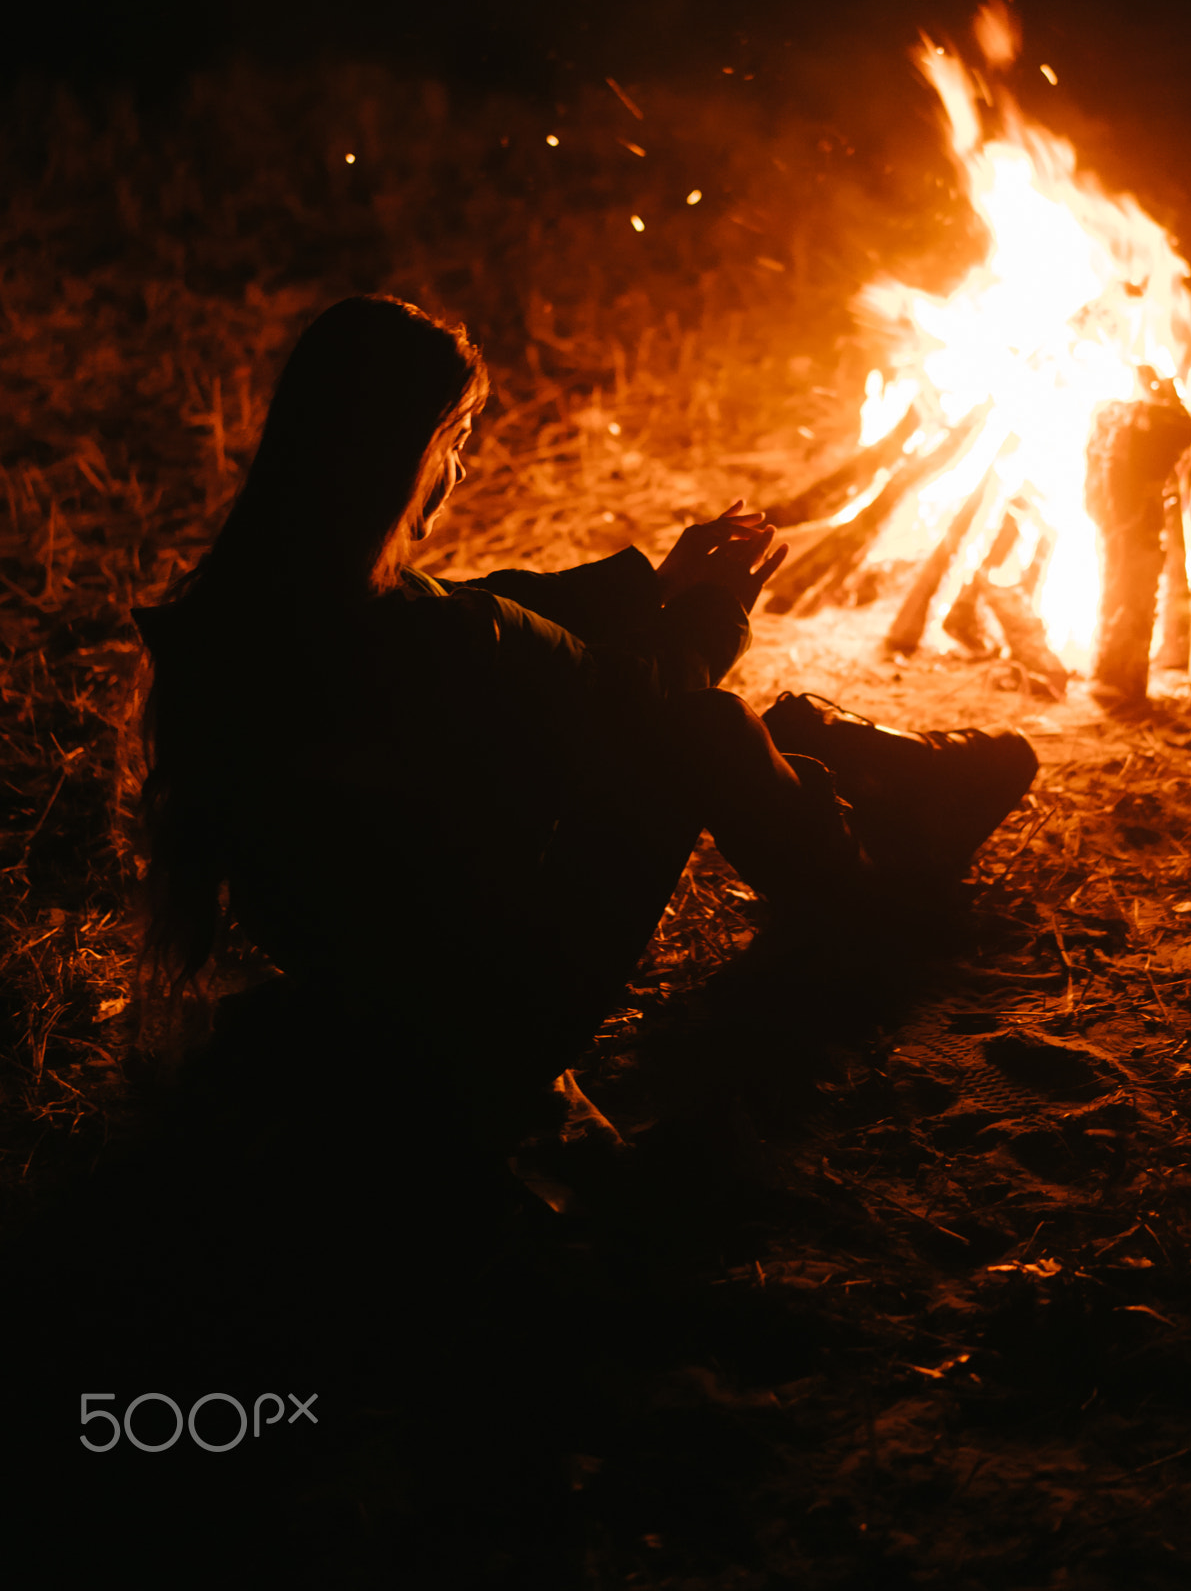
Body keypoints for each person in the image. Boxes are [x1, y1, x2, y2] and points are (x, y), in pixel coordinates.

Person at [134, 294, 1033, 1141]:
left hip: (365, 992)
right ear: (402, 452)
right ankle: (879, 901)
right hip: (487, 1024)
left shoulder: (245, 610)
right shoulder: (433, 639)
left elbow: (500, 606)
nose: (458, 468)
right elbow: (640, 701)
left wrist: (656, 584)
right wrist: (714, 611)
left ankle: (865, 782)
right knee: (708, 728)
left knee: (750, 727)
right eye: (454, 439)